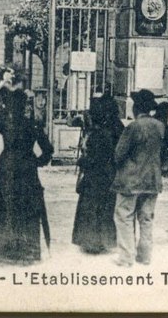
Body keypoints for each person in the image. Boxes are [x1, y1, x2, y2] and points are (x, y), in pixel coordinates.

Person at [0, 85, 54, 265]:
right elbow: (48, 150)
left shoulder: (5, 122)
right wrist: (37, 162)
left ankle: (3, 250)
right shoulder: (32, 124)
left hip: (7, 167)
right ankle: (28, 251)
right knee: (27, 209)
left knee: (6, 208)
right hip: (27, 169)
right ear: (24, 105)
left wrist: (7, 105)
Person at [111, 89, 164, 267]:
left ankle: (126, 258)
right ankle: (145, 256)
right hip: (152, 180)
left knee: (124, 216)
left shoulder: (133, 127)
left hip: (131, 181)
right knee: (146, 218)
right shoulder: (159, 126)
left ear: (136, 107)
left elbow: (119, 154)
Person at [71, 93, 124, 254]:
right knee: (106, 207)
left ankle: (91, 242)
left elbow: (94, 157)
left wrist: (82, 162)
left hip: (95, 175)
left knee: (91, 207)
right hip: (110, 174)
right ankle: (105, 240)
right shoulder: (118, 127)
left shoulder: (99, 133)